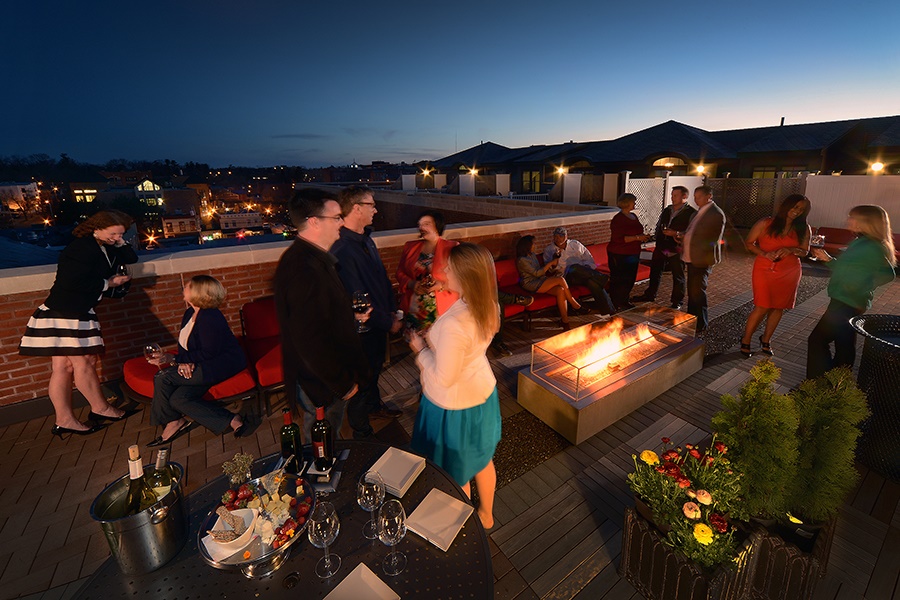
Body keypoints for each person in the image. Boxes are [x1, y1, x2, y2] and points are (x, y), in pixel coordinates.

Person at [19, 210, 138, 438]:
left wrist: (120, 241)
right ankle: (99, 408)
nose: (116, 238)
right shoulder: (81, 247)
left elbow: (131, 258)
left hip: (68, 310)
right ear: (98, 227)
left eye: (120, 234)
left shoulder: (103, 244)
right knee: (83, 362)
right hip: (68, 312)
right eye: (113, 233)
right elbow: (71, 281)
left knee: (63, 368)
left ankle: (65, 419)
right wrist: (108, 282)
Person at [407, 242, 502, 530]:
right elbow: (466, 348)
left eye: (450, 267)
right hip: (482, 394)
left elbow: (443, 377)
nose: (444, 270)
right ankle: (486, 515)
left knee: (455, 473)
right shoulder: (488, 304)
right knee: (482, 460)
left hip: (455, 407)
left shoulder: (455, 324)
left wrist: (420, 349)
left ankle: (459, 529)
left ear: (466, 276)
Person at [274, 188, 370, 442]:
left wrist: (351, 318)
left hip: (324, 377)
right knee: (323, 444)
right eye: (336, 217)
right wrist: (342, 383)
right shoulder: (303, 268)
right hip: (322, 382)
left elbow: (318, 316)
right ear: (314, 222)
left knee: (329, 435)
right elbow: (309, 340)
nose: (342, 222)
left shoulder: (312, 259)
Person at [331, 186, 403, 440]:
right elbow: (357, 298)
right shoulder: (341, 249)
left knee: (373, 372)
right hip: (362, 330)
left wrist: (392, 311)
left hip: (379, 323)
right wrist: (387, 321)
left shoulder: (366, 240)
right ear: (357, 208)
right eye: (371, 204)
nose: (376, 209)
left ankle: (375, 407)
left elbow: (381, 280)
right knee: (362, 379)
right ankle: (361, 433)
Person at [146, 276, 248, 447]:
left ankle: (172, 422)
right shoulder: (189, 313)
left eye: (188, 286)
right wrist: (183, 362)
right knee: (179, 399)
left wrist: (176, 359)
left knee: (162, 377)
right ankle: (231, 419)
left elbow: (209, 352)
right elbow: (187, 346)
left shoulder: (210, 317)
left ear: (198, 292)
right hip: (201, 364)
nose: (184, 287)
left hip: (222, 364)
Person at [807, 205, 896, 379]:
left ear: (866, 222)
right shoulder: (862, 241)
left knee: (818, 340)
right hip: (846, 301)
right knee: (844, 344)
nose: (848, 220)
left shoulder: (872, 246)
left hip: (847, 302)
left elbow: (888, 274)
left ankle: (818, 383)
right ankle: (837, 384)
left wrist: (861, 286)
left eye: (852, 217)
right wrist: (828, 259)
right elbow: (848, 268)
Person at [739, 194, 812, 357]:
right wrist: (765, 254)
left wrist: (791, 250)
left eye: (801, 209)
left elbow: (805, 251)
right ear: (786, 205)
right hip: (765, 269)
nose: (797, 211)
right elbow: (749, 243)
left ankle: (766, 339)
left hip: (790, 271)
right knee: (763, 305)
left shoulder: (803, 228)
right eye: (795, 207)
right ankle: (746, 339)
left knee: (778, 307)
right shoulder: (766, 223)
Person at [632, 186, 696, 309]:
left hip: (677, 248)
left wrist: (676, 234)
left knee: (678, 275)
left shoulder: (691, 213)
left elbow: (692, 232)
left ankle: (677, 301)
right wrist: (657, 237)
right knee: (655, 272)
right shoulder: (667, 210)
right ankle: (650, 294)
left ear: (684, 197)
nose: (672, 197)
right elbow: (660, 224)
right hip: (662, 246)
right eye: (672, 195)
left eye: (675, 195)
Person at [396, 210, 459, 332]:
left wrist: (440, 285)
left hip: (441, 306)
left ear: (437, 225)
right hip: (414, 307)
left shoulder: (452, 247)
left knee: (440, 344)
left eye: (426, 224)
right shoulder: (410, 246)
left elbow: (460, 277)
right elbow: (399, 272)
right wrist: (411, 283)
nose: (421, 227)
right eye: (420, 224)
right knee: (415, 344)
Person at [681, 185, 726, 333]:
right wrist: (683, 236)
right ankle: (691, 318)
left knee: (698, 291)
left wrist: (691, 241)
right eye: (694, 196)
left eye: (698, 196)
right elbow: (692, 231)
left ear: (709, 196)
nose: (695, 199)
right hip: (691, 257)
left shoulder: (715, 213)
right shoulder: (699, 212)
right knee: (693, 291)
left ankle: (701, 323)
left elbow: (712, 238)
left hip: (701, 258)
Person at [543, 226, 615, 316]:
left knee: (592, 282)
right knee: (573, 267)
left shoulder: (575, 244)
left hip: (583, 274)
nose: (558, 239)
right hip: (566, 278)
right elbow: (549, 271)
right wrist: (554, 260)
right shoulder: (549, 250)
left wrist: (585, 269)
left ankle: (610, 311)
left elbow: (588, 258)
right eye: (556, 236)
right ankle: (605, 279)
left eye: (560, 236)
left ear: (566, 236)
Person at [515, 234, 582, 330]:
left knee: (560, 290)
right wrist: (550, 263)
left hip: (540, 280)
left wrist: (554, 263)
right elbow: (536, 273)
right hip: (530, 283)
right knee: (561, 280)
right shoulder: (521, 260)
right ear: (527, 245)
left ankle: (565, 321)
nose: (535, 246)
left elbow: (541, 270)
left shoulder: (532, 255)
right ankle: (572, 302)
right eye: (533, 244)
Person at [607, 193, 652, 311]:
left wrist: (642, 237)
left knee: (630, 278)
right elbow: (619, 239)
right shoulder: (618, 219)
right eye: (633, 202)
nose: (635, 204)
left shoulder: (633, 216)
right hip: (619, 253)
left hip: (633, 252)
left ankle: (624, 300)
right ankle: (615, 303)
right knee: (619, 278)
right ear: (627, 203)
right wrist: (637, 237)